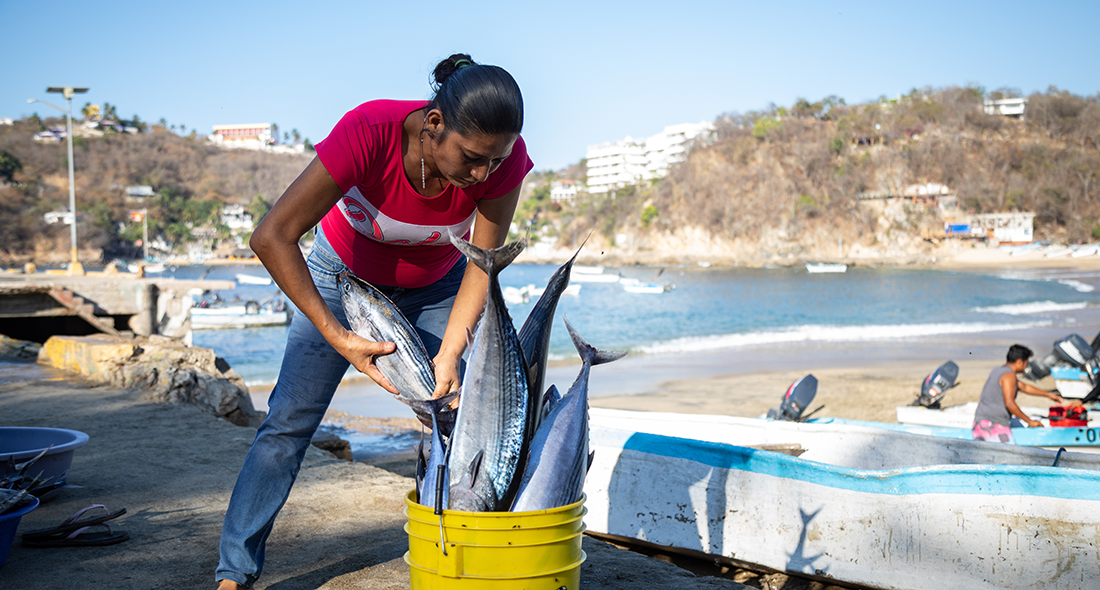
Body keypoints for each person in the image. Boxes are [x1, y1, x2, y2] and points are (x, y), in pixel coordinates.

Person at [215, 53, 533, 590]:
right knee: (288, 425)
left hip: (438, 288)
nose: (482, 175)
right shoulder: (369, 133)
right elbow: (272, 236)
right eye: (473, 158)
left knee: (450, 419)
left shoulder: (504, 159)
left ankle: (461, 560)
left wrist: (452, 347)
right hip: (340, 282)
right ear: (434, 124)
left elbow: (482, 264)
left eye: (495, 161)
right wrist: (337, 336)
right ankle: (234, 573)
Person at [972, 344, 1066, 443]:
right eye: (1026, 363)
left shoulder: (998, 370)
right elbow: (1009, 403)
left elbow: (1024, 387)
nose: (1026, 366)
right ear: (1020, 362)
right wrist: (1029, 421)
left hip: (980, 423)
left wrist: (1049, 395)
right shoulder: (1009, 375)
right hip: (994, 426)